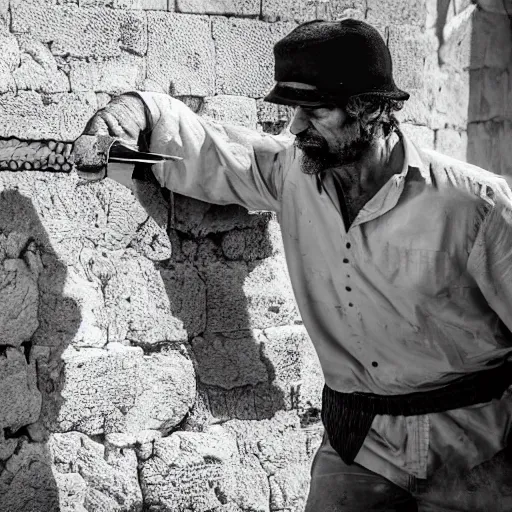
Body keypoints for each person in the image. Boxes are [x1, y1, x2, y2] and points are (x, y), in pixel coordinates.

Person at [80, 19, 512, 512]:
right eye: (293, 111)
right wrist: (135, 111)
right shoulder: (294, 173)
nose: (296, 127)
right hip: (359, 447)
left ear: (369, 108)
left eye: (315, 110)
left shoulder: (474, 205)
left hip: (476, 452)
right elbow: (213, 153)